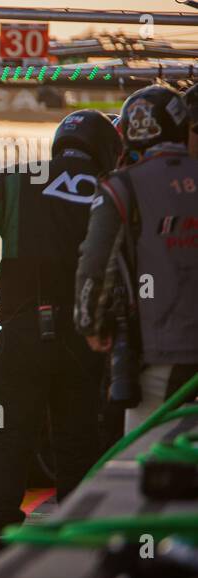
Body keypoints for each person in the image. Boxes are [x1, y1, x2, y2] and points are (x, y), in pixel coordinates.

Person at [0, 110, 121, 557]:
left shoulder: (16, 178)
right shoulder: (112, 188)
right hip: (84, 337)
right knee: (78, 439)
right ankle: (76, 539)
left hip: (23, 331)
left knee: (8, 435)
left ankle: (3, 537)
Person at [74, 84, 198, 436]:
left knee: (145, 463)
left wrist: (90, 323)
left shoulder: (122, 186)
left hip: (158, 354)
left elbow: (94, 260)